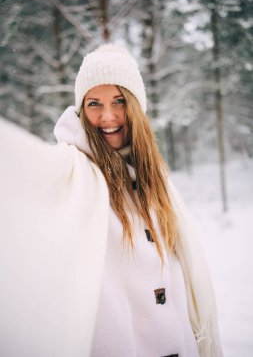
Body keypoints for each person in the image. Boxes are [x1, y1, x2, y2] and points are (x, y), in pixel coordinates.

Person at [0, 44, 223, 357]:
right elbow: (20, 167)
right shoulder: (72, 170)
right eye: (94, 103)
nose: (108, 116)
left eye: (119, 100)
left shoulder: (154, 177)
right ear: (81, 110)